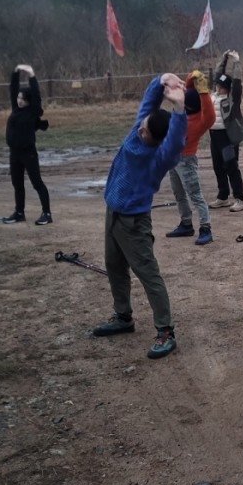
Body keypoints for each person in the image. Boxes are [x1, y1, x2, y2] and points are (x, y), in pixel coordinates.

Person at [92, 73, 187, 359]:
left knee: (148, 274)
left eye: (144, 131)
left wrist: (179, 108)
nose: (139, 130)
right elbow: (148, 104)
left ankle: (166, 331)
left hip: (134, 222)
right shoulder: (139, 129)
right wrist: (161, 80)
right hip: (113, 212)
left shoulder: (160, 158)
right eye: (141, 125)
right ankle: (123, 317)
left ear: (155, 141)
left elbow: (175, 141)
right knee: (114, 266)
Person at [165, 71, 217, 245]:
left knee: (195, 195)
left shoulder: (201, 120)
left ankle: (206, 228)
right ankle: (186, 223)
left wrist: (204, 92)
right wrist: (191, 78)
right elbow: (188, 90)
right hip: (173, 159)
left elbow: (210, 114)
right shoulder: (183, 114)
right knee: (179, 194)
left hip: (186, 161)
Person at [2, 64, 53, 226]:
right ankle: (19, 212)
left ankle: (47, 213)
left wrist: (31, 75)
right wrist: (15, 73)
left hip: (28, 153)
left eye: (22, 99)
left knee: (36, 182)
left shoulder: (32, 111)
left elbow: (36, 95)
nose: (19, 100)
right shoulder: (15, 108)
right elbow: (13, 89)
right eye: (18, 98)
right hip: (14, 153)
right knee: (17, 184)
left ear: (28, 101)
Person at [208, 50, 243, 212]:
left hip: (227, 138)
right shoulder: (213, 95)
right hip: (214, 136)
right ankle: (223, 196)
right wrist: (224, 59)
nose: (219, 89)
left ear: (228, 89)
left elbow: (237, 83)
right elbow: (218, 74)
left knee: (231, 167)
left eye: (222, 87)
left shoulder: (232, 99)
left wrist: (236, 62)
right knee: (218, 167)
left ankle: (240, 199)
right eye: (218, 86)